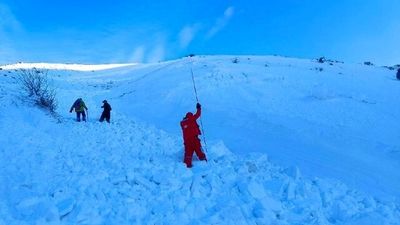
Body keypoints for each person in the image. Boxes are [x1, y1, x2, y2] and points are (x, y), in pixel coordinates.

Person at [180, 103, 207, 168]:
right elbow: (198, 114)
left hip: (187, 141)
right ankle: (203, 160)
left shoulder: (182, 123)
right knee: (198, 150)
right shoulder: (192, 118)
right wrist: (198, 107)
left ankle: (187, 164)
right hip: (195, 139)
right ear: (191, 116)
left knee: (188, 153)